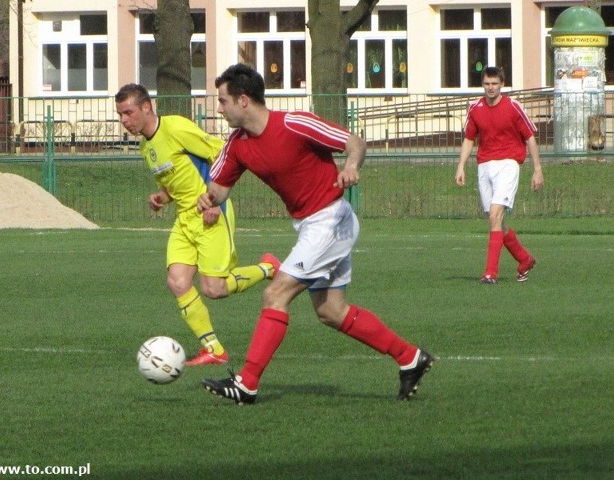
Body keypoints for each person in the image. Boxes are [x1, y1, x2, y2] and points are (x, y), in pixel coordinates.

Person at [197, 63, 434, 404]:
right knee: (331, 312)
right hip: (312, 225)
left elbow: (354, 142)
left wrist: (351, 165)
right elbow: (219, 188)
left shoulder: (294, 123)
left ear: (243, 100)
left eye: (222, 101)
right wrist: (209, 199)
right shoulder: (237, 144)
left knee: (275, 294)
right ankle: (410, 358)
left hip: (330, 220)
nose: (219, 109)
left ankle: (246, 384)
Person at [115, 83, 279, 366]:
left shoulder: (177, 128)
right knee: (177, 282)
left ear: (146, 107)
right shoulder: (146, 146)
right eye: (120, 115)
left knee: (214, 289)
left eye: (128, 113)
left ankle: (268, 268)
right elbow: (173, 182)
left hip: (211, 213)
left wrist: (213, 200)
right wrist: (161, 197)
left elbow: (221, 154)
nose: (124, 121)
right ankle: (214, 349)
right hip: (184, 219)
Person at [455, 66, 544, 284]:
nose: (490, 88)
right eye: (487, 84)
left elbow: (529, 137)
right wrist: (461, 165)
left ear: (502, 84)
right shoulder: (475, 108)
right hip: (485, 166)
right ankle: (524, 259)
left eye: (494, 84)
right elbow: (469, 138)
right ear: (482, 84)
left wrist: (537, 169)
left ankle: (490, 273)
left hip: (508, 164)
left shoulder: (513, 107)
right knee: (496, 221)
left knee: (495, 215)